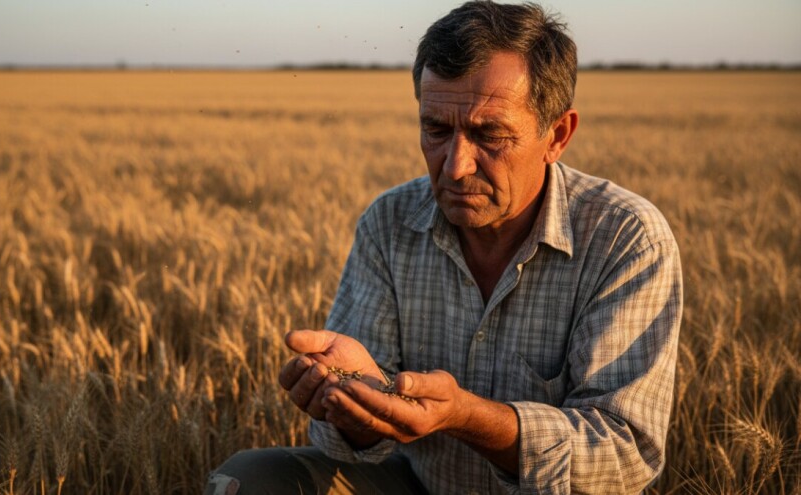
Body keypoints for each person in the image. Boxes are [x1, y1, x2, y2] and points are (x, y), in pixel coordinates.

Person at [205, 1, 682, 493]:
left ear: (557, 135)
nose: (454, 166)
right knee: (248, 480)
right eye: (436, 129)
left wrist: (466, 417)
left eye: (488, 134)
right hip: (420, 485)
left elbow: (625, 456)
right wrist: (354, 406)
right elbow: (351, 442)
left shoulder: (625, 237)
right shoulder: (390, 223)